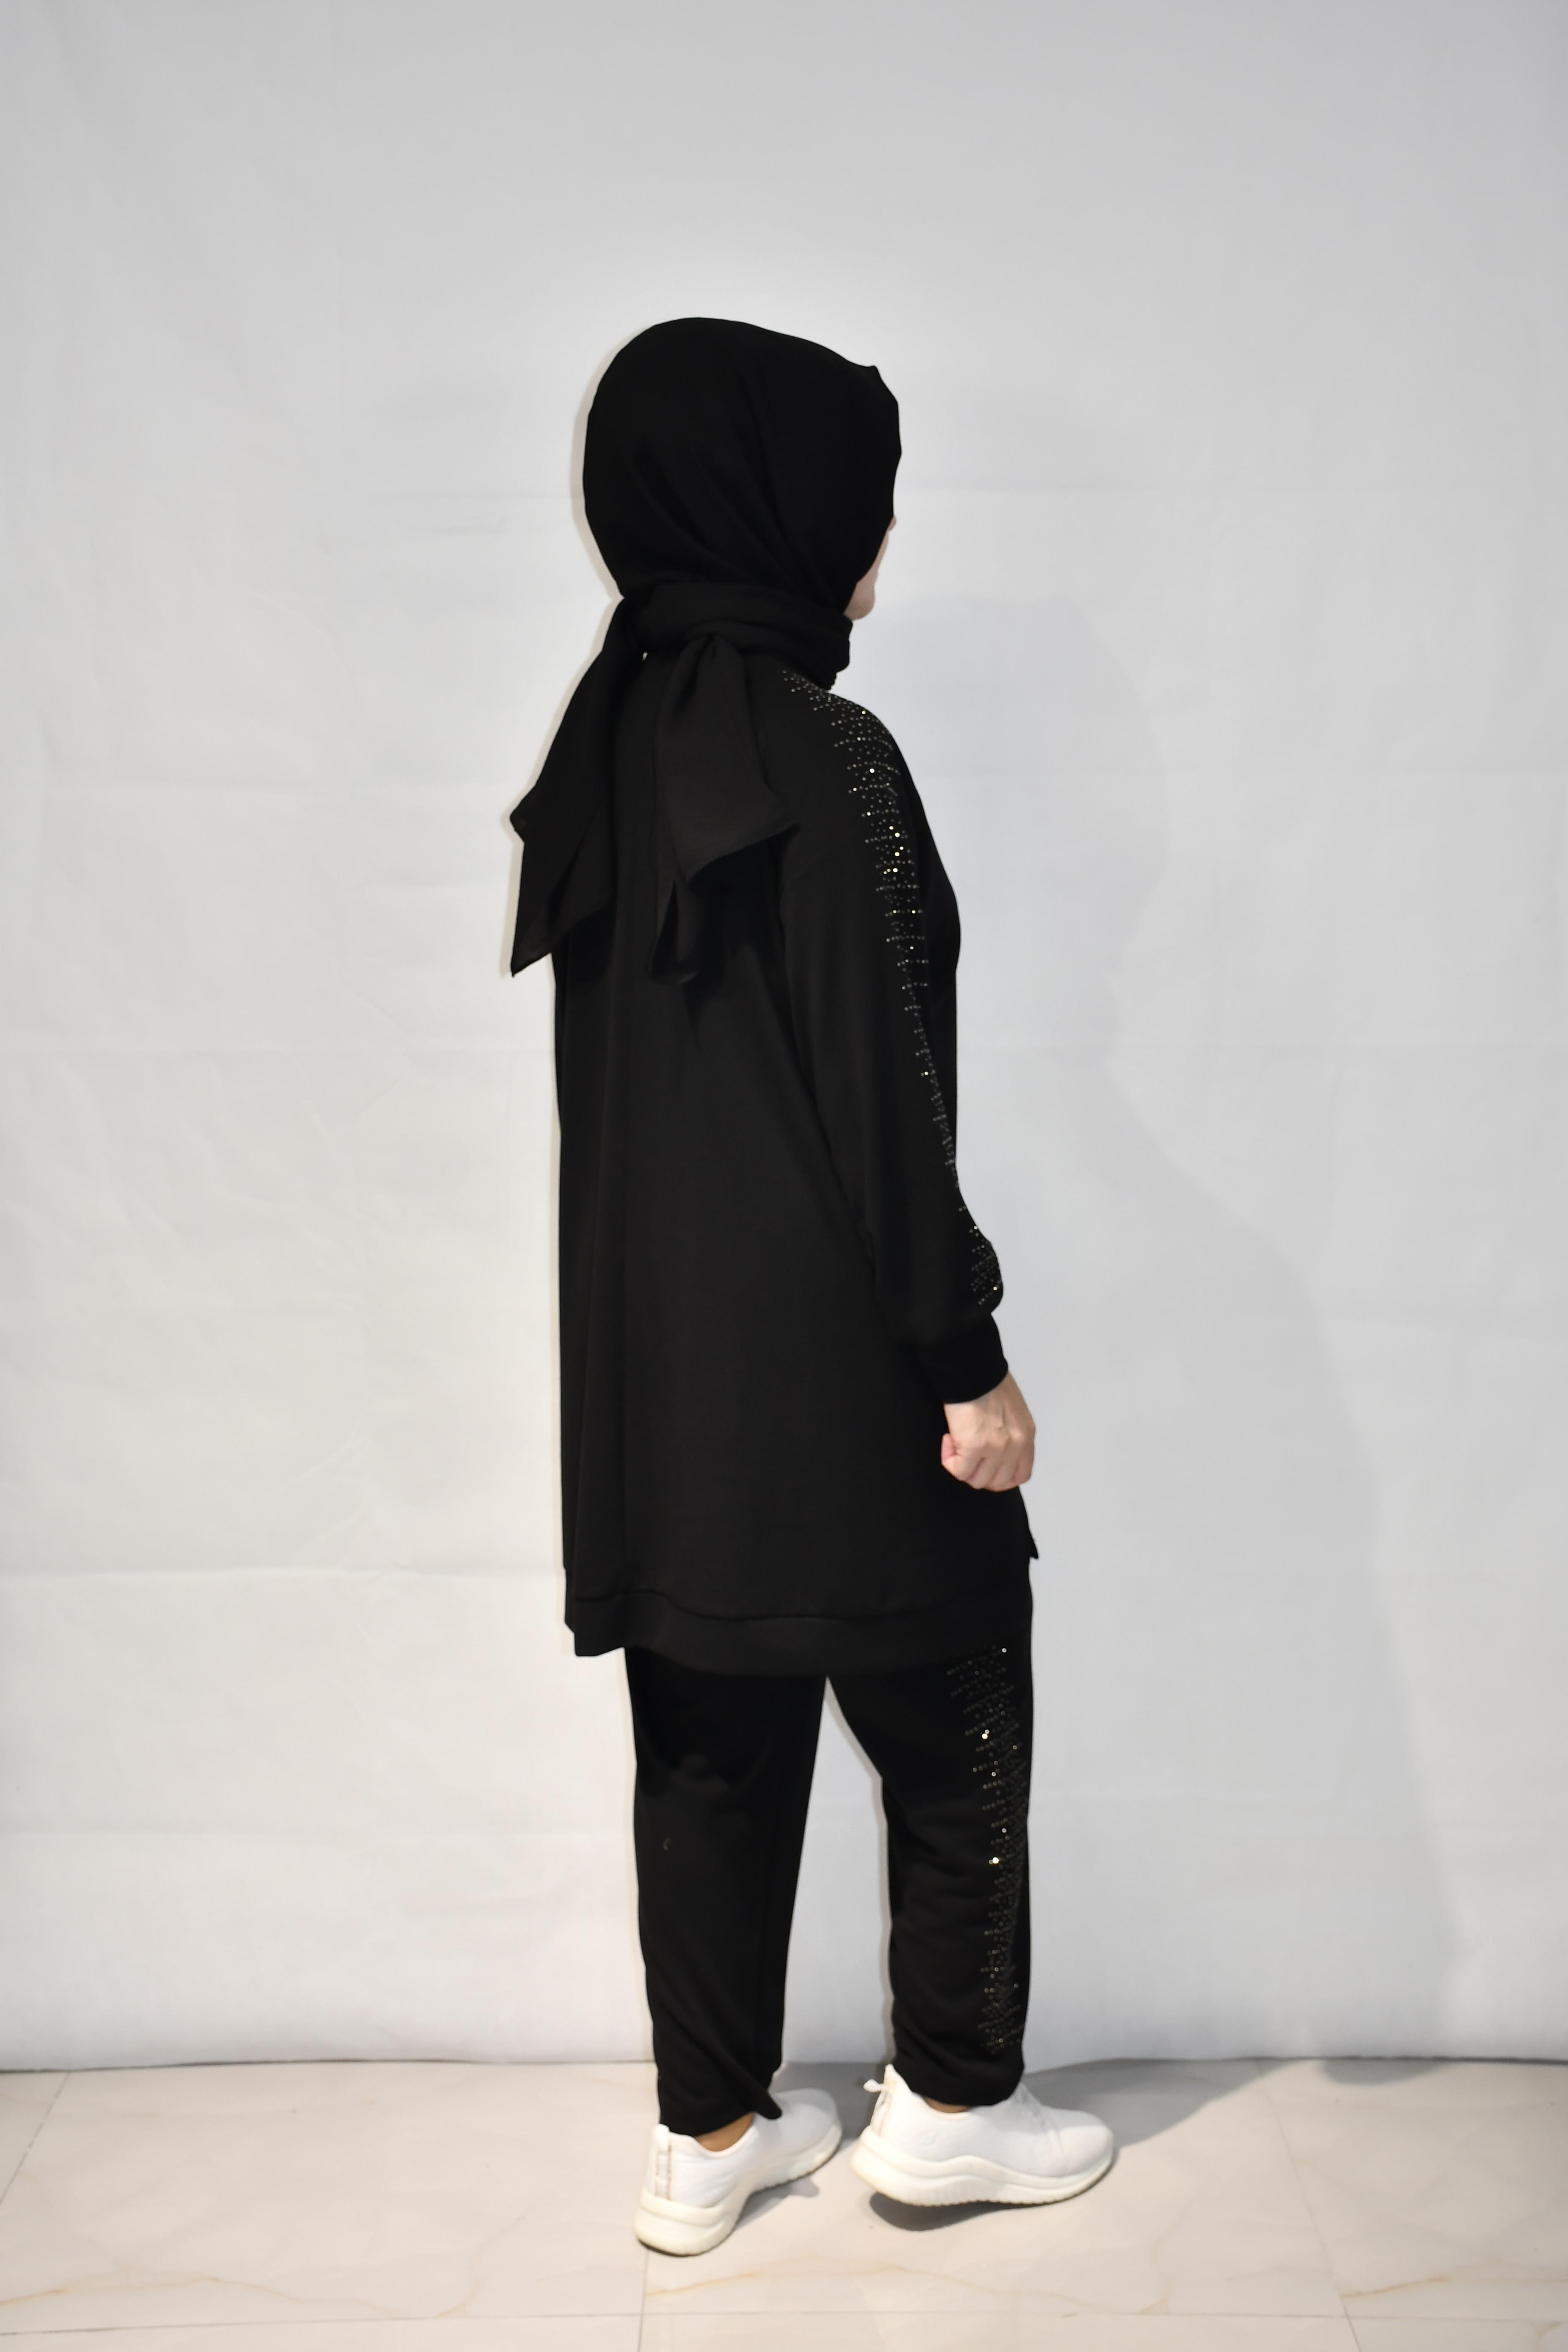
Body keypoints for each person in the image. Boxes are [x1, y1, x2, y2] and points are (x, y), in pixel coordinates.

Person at [509, 318, 1113, 2255]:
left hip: (664, 1389)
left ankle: (708, 2138)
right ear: (785, 512)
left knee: (709, 1745)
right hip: (850, 1371)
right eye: (868, 503)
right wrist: (967, 1358)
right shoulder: (830, 759)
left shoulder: (606, 763)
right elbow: (883, 1098)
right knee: (960, 1706)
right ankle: (953, 2105)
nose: (881, 546)